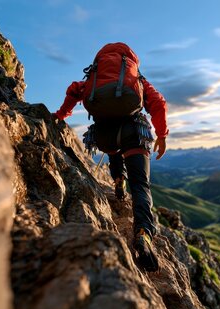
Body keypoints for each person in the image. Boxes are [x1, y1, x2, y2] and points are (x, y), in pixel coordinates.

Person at [53, 42, 168, 272]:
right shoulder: (137, 80)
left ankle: (117, 180)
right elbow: (158, 104)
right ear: (131, 61)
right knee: (141, 186)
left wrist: (60, 115)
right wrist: (162, 135)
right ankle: (143, 233)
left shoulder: (96, 77)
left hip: (104, 136)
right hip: (134, 133)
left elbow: (75, 90)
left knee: (114, 150)